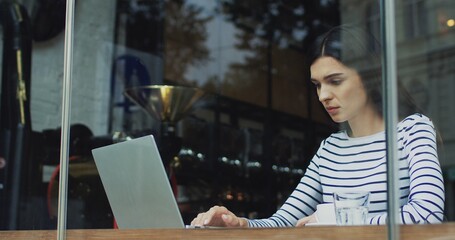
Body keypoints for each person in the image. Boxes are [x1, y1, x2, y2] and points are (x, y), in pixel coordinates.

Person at [190, 25, 445, 227]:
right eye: (317, 84)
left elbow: (428, 213)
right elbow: (283, 222)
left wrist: (337, 221)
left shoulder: (413, 131)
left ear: (369, 77)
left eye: (335, 81)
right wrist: (237, 224)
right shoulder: (330, 149)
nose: (323, 95)